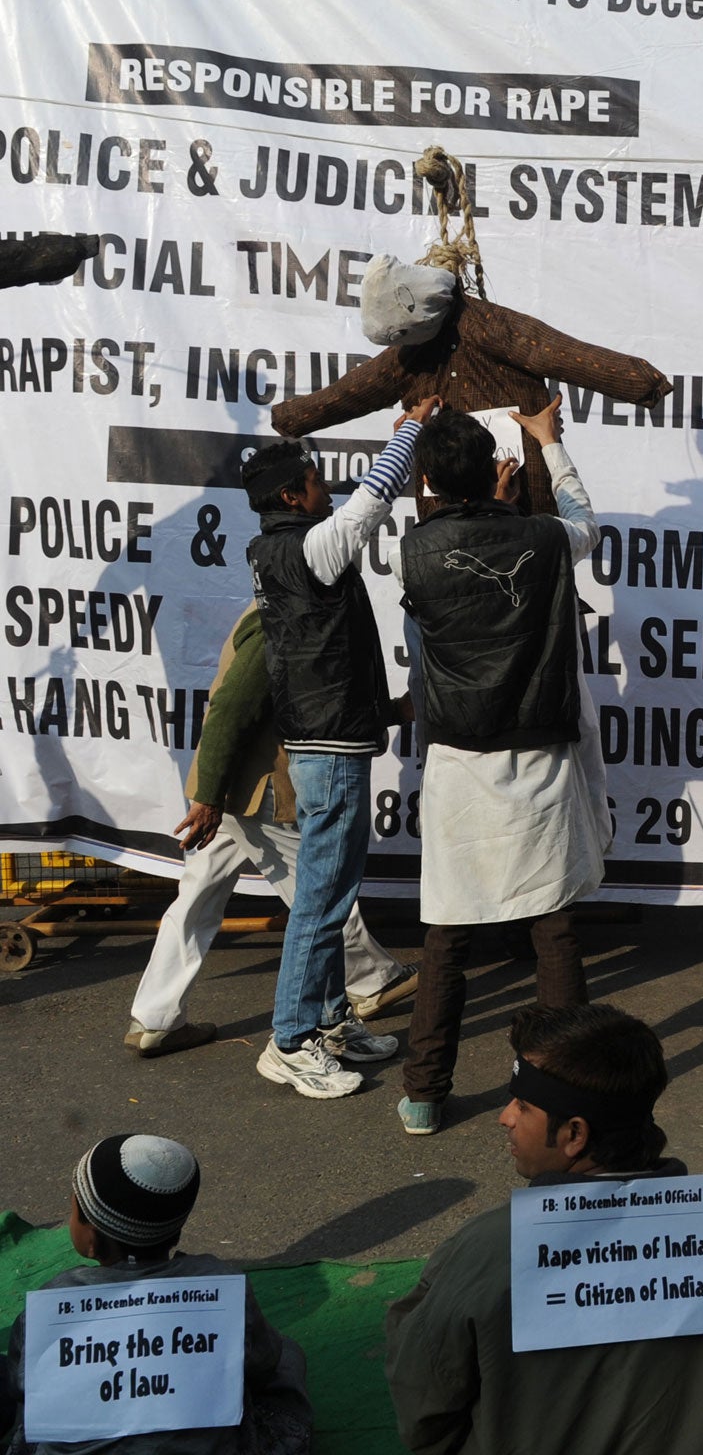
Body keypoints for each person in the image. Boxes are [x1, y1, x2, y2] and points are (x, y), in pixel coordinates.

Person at [383, 1004, 703, 1455]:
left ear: (575, 1134)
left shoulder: (485, 1250)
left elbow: (424, 1400)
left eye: (522, 1104)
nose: (505, 1117)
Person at [392, 397, 607, 1137]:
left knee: (447, 936)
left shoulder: (412, 550)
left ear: (428, 480)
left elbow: (450, 534)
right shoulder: (543, 540)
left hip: (458, 762)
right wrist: (549, 444)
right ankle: (564, 1090)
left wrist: (446, 475)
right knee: (553, 929)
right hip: (537, 753)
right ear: (495, 472)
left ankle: (423, 1095)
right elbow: (584, 522)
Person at [240, 399, 433, 1098]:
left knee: (333, 894)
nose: (327, 486)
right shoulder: (303, 547)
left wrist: (387, 708)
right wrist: (409, 430)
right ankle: (289, 1041)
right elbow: (368, 508)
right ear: (292, 495)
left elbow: (320, 657)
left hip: (333, 736)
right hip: (328, 750)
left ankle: (326, 1019)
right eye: (317, 478)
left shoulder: (285, 549)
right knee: (322, 902)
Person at [125, 603, 418, 1058]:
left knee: (197, 900)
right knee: (318, 892)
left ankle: (155, 1017)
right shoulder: (277, 620)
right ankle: (370, 979)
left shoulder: (273, 612)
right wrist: (210, 798)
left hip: (227, 790)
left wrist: (209, 793)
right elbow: (232, 709)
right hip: (254, 791)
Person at [4, 1134, 313, 1454]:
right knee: (286, 1354)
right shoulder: (217, 1282)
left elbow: (22, 1385)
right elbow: (263, 1363)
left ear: (91, 1238)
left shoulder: (54, 1302)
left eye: (72, 1210)